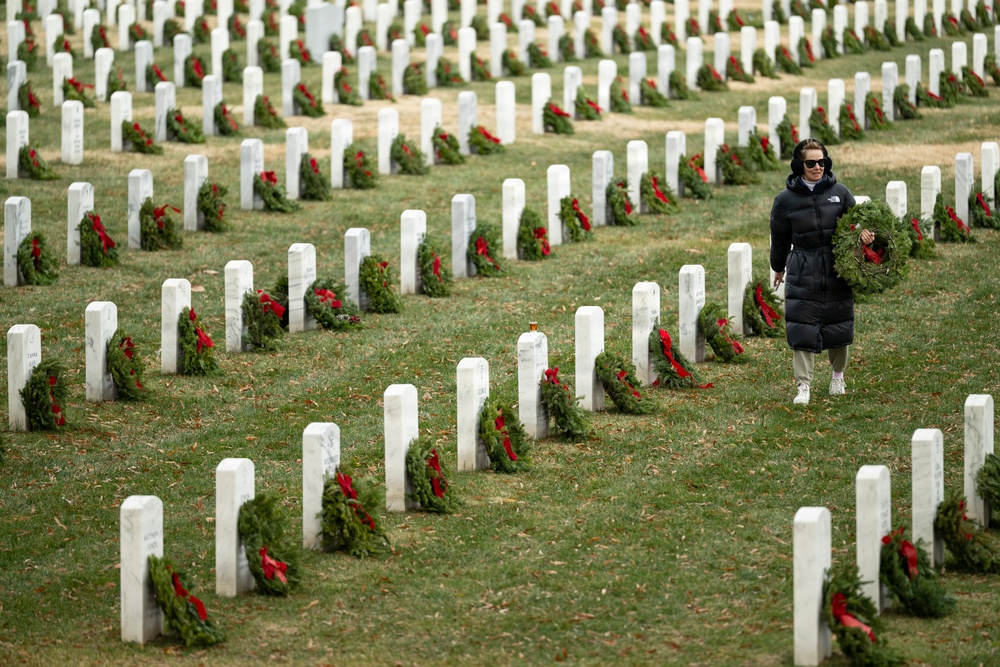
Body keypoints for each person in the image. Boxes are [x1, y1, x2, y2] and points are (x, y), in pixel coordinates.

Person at [769, 138, 874, 405]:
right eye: (811, 162)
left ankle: (838, 377)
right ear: (799, 165)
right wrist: (777, 267)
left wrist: (864, 234)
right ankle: (803, 385)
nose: (818, 167)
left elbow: (857, 223)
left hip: (836, 266)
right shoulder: (785, 201)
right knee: (802, 325)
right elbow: (779, 237)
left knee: (838, 323)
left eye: (822, 162)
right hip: (803, 266)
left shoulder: (840, 191)